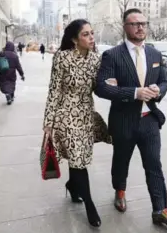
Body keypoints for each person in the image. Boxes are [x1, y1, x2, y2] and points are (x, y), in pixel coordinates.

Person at [95, 8, 167, 228]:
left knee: (154, 165)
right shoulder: (112, 55)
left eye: (143, 23)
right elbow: (101, 88)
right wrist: (134, 93)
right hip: (123, 120)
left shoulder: (154, 54)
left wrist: (158, 90)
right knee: (121, 161)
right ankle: (120, 191)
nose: (140, 27)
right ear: (125, 27)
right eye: (135, 24)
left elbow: (165, 81)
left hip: (149, 120)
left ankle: (161, 210)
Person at [42, 19, 111, 228]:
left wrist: (111, 83)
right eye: (85, 34)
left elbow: (103, 83)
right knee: (78, 158)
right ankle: (90, 205)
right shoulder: (62, 58)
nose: (91, 38)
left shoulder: (96, 60)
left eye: (92, 33)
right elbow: (54, 90)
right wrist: (49, 121)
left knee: (77, 158)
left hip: (85, 115)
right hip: (65, 116)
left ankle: (72, 186)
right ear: (74, 39)